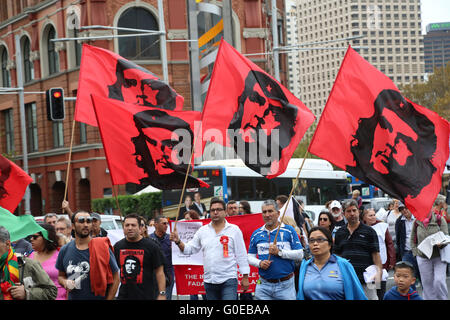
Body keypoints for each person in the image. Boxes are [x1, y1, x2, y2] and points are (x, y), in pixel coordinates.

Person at [346, 89, 438, 204]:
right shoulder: (358, 163)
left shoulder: (413, 197)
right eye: (386, 127)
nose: (390, 143)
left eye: (401, 140)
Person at [170, 198, 250, 300]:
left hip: (229, 279)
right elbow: (189, 249)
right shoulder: (202, 231)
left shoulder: (234, 230)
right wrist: (178, 241)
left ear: (225, 212)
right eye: (212, 210)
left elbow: (241, 254)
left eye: (218, 209)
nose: (215, 212)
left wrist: (245, 276)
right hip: (209, 281)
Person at [56, 210, 120, 300]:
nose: (86, 224)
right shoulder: (65, 250)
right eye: (81, 221)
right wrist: (65, 282)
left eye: (88, 221)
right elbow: (60, 276)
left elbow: (116, 278)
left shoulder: (102, 247)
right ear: (73, 226)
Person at [248, 200, 303, 300]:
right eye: (264, 212)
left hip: (285, 285)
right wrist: (259, 263)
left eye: (270, 211)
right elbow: (249, 257)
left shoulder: (289, 230)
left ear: (278, 213)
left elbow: (300, 255)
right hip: (263, 285)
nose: (267, 214)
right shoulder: (256, 233)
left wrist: (280, 253)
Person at [297, 227, 367, 300]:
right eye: (311, 240)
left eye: (320, 240)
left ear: (330, 244)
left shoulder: (343, 265)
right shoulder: (305, 266)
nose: (315, 243)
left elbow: (357, 294)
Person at [333, 199, 383, 300]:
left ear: (358, 212)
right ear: (343, 213)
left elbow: (376, 255)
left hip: (367, 280)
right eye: (348, 211)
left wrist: (378, 276)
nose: (352, 214)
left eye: (354, 210)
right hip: (347, 279)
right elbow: (337, 256)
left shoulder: (369, 231)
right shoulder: (340, 233)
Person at [114, 214, 166, 300]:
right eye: (127, 225)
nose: (130, 228)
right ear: (123, 228)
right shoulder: (118, 246)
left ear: (140, 228)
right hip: (123, 296)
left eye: (133, 225)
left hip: (146, 295)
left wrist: (162, 294)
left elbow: (159, 272)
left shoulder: (152, 246)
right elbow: (114, 272)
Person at [0, 226, 57, 300]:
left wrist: (27, 293)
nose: (31, 239)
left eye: (35, 237)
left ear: (7, 244)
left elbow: (51, 291)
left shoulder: (28, 264)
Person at [410, 194, 449, 300]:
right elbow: (412, 239)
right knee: (427, 285)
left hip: (439, 256)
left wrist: (442, 243)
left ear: (431, 207)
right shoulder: (416, 222)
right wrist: (415, 252)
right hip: (423, 256)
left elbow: (446, 236)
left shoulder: (439, 219)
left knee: (438, 281)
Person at [361, 208, 396, 300]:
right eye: (370, 215)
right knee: (371, 292)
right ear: (364, 217)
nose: (373, 217)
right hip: (368, 266)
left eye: (374, 215)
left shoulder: (382, 226)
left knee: (381, 290)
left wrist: (392, 260)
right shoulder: (361, 228)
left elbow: (389, 243)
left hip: (381, 264)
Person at [29, 224, 67, 300]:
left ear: (46, 238)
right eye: (31, 236)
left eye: (35, 237)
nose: (31, 239)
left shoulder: (61, 255)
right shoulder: (30, 256)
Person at [395, 202, 420, 288]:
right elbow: (398, 239)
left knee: (424, 278)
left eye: (406, 208)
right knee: (408, 279)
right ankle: (412, 296)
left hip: (420, 252)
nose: (404, 210)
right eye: (401, 209)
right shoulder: (399, 221)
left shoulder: (418, 218)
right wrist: (401, 253)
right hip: (407, 252)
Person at [149, 215, 174, 300]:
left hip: (168, 276)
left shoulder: (171, 239)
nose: (166, 225)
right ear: (155, 224)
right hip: (152, 276)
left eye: (167, 223)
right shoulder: (148, 239)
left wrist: (176, 245)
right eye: (164, 223)